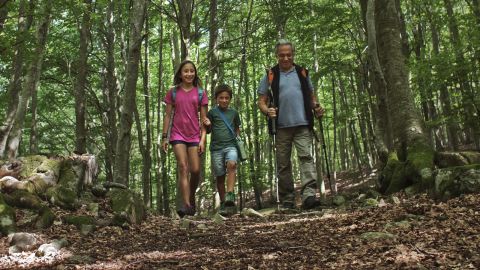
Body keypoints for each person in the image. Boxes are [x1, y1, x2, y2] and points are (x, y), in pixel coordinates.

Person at [257, 39, 325, 210]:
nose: (285, 58)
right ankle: (288, 198)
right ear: (277, 56)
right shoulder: (270, 74)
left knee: (306, 158)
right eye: (282, 55)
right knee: (283, 163)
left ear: (293, 54)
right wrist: (267, 111)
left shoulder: (302, 72)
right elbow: (261, 101)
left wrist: (317, 107)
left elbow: (311, 96)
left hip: (303, 123)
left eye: (289, 54)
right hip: (280, 127)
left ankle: (309, 195)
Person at [162, 60, 208, 217]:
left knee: (195, 170)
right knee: (183, 166)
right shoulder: (173, 92)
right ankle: (187, 204)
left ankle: (191, 196)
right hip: (177, 134)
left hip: (194, 135)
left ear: (195, 73)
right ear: (180, 74)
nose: (189, 74)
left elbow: (204, 119)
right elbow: (168, 115)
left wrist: (202, 140)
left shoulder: (201, 93)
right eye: (185, 71)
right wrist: (164, 137)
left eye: (191, 71)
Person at [203, 84, 241, 215]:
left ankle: (230, 194)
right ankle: (224, 203)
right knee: (220, 176)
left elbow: (237, 128)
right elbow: (208, 131)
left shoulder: (234, 113)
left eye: (227, 98)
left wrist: (238, 139)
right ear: (216, 99)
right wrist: (207, 125)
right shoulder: (212, 113)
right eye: (221, 98)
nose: (224, 100)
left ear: (230, 99)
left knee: (232, 164)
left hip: (231, 146)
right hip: (216, 149)